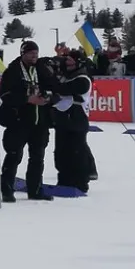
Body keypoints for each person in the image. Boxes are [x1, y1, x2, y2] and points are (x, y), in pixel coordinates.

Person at [0, 40, 56, 202]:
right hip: (19, 121)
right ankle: (7, 190)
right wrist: (27, 99)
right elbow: (5, 95)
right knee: (14, 155)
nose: (34, 57)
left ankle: (35, 190)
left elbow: (54, 87)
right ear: (23, 53)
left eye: (36, 54)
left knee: (38, 157)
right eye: (31, 54)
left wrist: (48, 96)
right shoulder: (12, 71)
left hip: (41, 121)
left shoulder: (42, 69)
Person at [51, 49, 94, 193]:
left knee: (77, 153)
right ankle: (64, 181)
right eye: (66, 60)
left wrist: (54, 87)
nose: (67, 63)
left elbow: (63, 89)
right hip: (63, 120)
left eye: (70, 60)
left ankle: (81, 182)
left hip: (77, 120)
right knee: (61, 153)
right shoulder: (65, 76)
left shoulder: (83, 79)